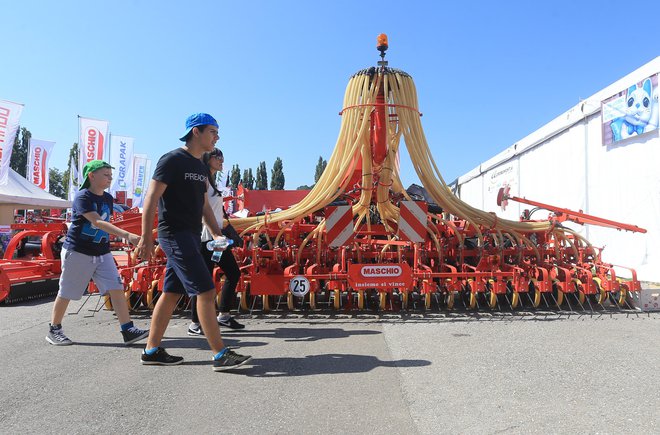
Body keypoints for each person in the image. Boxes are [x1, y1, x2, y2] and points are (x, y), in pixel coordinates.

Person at [136, 113, 251, 371]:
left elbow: (203, 206)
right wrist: (145, 237)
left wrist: (217, 233)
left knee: (172, 292)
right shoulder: (172, 160)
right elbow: (151, 199)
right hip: (174, 234)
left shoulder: (201, 167)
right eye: (212, 131)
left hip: (189, 234)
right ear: (195, 132)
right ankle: (220, 354)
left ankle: (151, 350)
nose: (217, 137)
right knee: (207, 291)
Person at [46, 160, 149, 346]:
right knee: (67, 291)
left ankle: (128, 329)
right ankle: (54, 329)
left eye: (111, 175)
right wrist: (128, 235)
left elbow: (105, 223)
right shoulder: (83, 197)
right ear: (91, 176)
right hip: (78, 251)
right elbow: (98, 222)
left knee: (116, 287)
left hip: (102, 252)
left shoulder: (108, 199)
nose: (110, 178)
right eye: (106, 175)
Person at [188, 148, 244, 336]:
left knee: (233, 273)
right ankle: (195, 323)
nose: (221, 160)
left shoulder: (211, 181)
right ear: (207, 158)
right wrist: (213, 233)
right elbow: (200, 209)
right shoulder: (202, 180)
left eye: (222, 157)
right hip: (206, 238)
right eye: (217, 157)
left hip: (217, 237)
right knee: (203, 279)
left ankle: (224, 315)